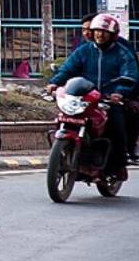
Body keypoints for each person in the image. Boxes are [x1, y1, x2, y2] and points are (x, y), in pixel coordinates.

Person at [47, 11, 136, 183]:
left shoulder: (122, 53)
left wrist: (120, 91)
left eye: (104, 32)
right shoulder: (84, 51)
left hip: (109, 100)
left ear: (112, 35)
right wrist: (55, 82)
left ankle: (118, 165)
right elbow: (68, 68)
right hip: (86, 97)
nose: (99, 35)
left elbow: (130, 74)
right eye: (96, 31)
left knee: (116, 127)